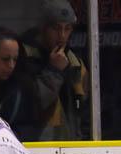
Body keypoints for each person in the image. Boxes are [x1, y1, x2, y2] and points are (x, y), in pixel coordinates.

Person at [20, 0, 89, 140]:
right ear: (43, 28)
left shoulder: (76, 64)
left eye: (67, 28)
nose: (62, 36)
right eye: (56, 28)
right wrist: (54, 71)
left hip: (73, 147)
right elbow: (29, 108)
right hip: (37, 147)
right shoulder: (22, 58)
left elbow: (86, 113)